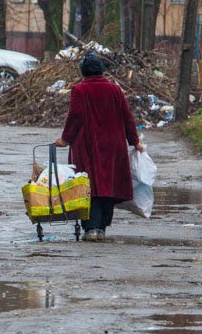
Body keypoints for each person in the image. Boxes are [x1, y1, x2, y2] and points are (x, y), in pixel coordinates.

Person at [54, 52, 146, 241]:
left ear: (83, 71)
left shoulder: (79, 90)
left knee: (89, 184)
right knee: (109, 185)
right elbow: (127, 117)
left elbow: (75, 116)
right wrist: (135, 141)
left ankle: (91, 228)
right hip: (114, 145)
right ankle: (102, 228)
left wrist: (64, 139)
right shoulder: (115, 90)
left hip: (88, 144)